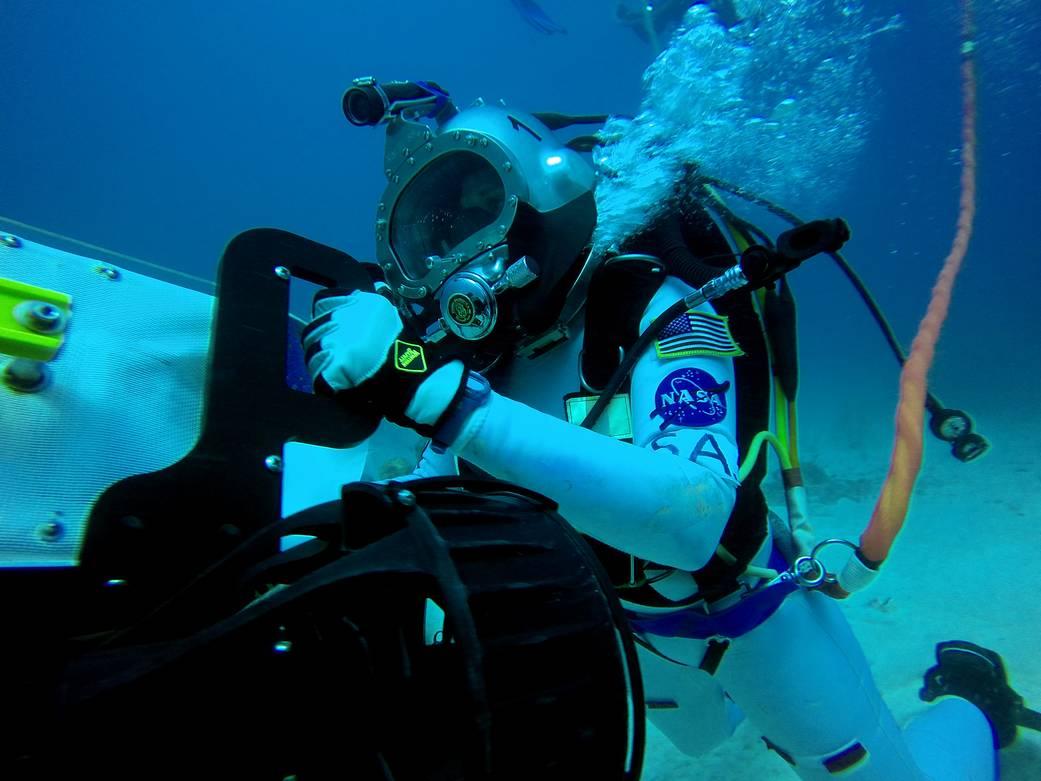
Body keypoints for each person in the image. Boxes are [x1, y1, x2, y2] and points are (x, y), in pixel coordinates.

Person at [302, 90, 1033, 779]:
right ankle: (762, 714)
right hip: (625, 627)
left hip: (748, 616)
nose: (455, 260)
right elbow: (425, 494)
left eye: (480, 212)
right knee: (707, 736)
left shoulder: (661, 312)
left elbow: (694, 520)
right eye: (431, 239)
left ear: (540, 199)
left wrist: (436, 394)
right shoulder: (479, 363)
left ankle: (970, 698)